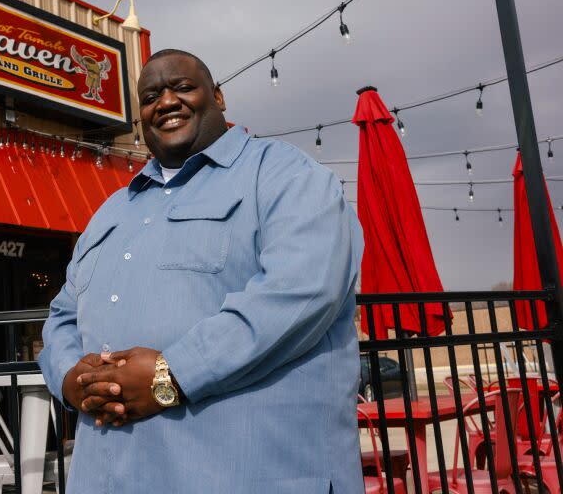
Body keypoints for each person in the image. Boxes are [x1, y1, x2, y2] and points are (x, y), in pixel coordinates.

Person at [38, 48, 364, 493]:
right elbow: (61, 316)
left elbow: (303, 293)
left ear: (219, 96)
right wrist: (71, 380)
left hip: (248, 475)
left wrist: (169, 377)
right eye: (151, 95)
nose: (166, 101)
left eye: (183, 87)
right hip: (109, 476)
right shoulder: (112, 211)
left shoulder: (286, 176)